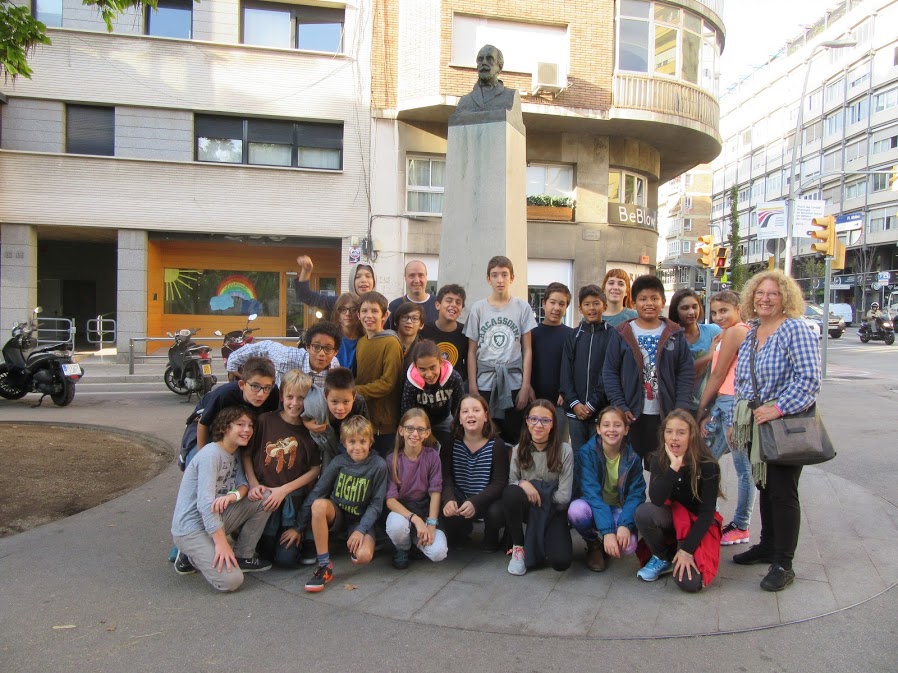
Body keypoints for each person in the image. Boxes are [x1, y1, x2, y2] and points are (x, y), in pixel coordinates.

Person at [731, 270, 821, 592]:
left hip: (784, 424)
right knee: (764, 486)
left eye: (773, 293)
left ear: (786, 298)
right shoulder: (753, 332)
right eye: (760, 293)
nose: (765, 298)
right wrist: (736, 422)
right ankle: (768, 546)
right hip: (754, 422)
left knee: (783, 492)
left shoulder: (795, 328)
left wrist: (778, 408)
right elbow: (742, 382)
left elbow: (809, 379)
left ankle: (784, 563)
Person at [171, 406, 272, 591]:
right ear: (225, 427)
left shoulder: (234, 452)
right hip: (191, 528)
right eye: (240, 424)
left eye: (250, 425)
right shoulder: (211, 455)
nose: (247, 430)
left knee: (264, 497)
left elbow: (243, 485)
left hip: (216, 517)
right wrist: (222, 543)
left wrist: (233, 496)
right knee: (231, 581)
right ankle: (191, 555)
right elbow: (205, 504)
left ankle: (242, 556)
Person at [603, 275, 693, 468]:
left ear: (663, 301)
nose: (649, 303)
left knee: (662, 468)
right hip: (631, 415)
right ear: (634, 303)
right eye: (643, 299)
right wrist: (620, 405)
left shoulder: (675, 333)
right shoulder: (621, 333)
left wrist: (680, 409)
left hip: (665, 415)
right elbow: (610, 372)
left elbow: (685, 373)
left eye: (654, 298)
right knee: (628, 469)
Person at [295, 416, 388, 593]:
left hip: (360, 519)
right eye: (352, 442)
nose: (357, 447)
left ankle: (353, 540)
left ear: (371, 441)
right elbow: (317, 492)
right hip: (337, 514)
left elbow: (376, 505)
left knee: (363, 556)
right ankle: (324, 565)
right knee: (319, 505)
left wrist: (361, 530)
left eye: (362, 441)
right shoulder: (338, 462)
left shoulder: (379, 465)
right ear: (344, 443)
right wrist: (298, 527)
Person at [635, 410, 723, 593]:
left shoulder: (707, 464)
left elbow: (707, 513)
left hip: (697, 522)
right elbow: (657, 500)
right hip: (672, 517)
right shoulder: (659, 459)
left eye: (681, 432)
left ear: (691, 435)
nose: (674, 438)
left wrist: (687, 550)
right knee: (644, 512)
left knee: (689, 583)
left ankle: (680, 549)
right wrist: (673, 468)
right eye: (669, 432)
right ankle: (662, 557)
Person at [242, 370, 321, 568]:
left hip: (291, 500)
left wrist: (284, 490)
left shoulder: (308, 431)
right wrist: (253, 484)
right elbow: (247, 455)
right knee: (265, 552)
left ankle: (305, 538)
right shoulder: (265, 421)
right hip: (264, 497)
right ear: (281, 396)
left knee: (286, 560)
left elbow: (315, 469)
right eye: (290, 397)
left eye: (301, 398)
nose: (295, 403)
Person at [697, 291, 753, 546]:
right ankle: (710, 515)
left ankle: (740, 524)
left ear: (738, 308)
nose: (718, 317)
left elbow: (718, 374)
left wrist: (702, 408)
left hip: (731, 404)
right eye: (714, 312)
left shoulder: (735, 332)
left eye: (724, 311)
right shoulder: (732, 332)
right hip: (725, 403)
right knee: (705, 459)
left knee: (742, 468)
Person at [465, 255, 537, 445]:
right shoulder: (478, 309)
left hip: (513, 382)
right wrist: (473, 386)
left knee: (515, 437)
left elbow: (527, 349)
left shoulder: (522, 308)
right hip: (485, 383)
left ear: (512, 278)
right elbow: (471, 351)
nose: (500, 280)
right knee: (485, 437)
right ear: (488, 279)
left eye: (504, 274)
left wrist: (525, 385)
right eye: (495, 275)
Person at [567, 406, 646, 572]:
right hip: (592, 507)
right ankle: (593, 543)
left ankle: (608, 545)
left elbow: (636, 495)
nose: (611, 429)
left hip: (617, 508)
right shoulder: (587, 453)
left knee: (629, 546)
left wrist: (624, 524)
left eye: (617, 425)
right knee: (576, 511)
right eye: (606, 425)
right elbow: (592, 494)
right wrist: (609, 531)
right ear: (598, 429)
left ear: (626, 430)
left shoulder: (633, 458)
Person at [502, 399, 574, 576]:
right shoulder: (519, 449)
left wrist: (536, 489)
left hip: (553, 510)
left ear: (553, 424)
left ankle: (542, 539)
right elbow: (512, 483)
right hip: (528, 507)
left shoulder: (564, 450)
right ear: (527, 421)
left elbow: (563, 497)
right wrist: (523, 484)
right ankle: (518, 546)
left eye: (545, 420)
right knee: (511, 493)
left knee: (561, 561)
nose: (538, 425)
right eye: (533, 419)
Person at [179, 357, 279, 470]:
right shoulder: (225, 394)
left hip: (240, 431)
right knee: (199, 462)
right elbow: (203, 423)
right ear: (242, 384)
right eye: (255, 386)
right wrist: (203, 455)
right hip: (208, 427)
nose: (261, 394)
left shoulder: (273, 394)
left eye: (267, 387)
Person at [440, 394, 509, 551]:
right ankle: (462, 531)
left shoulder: (496, 445)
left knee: (496, 512)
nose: (470, 414)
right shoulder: (451, 442)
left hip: (486, 499)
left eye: (476, 410)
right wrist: (449, 499)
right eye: (465, 411)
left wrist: (475, 501)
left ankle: (491, 534)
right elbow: (445, 476)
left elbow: (499, 483)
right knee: (445, 506)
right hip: (460, 496)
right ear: (459, 418)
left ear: (485, 416)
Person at [384, 409, 448, 569]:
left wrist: (431, 525)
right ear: (401, 430)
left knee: (439, 553)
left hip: (425, 510)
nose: (414, 433)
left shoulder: (432, 456)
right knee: (396, 525)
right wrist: (416, 520)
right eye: (409, 428)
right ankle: (403, 548)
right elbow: (390, 500)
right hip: (402, 512)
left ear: (427, 433)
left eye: (420, 429)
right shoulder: (392, 459)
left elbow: (435, 492)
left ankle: (416, 543)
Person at [560, 284, 615, 451]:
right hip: (575, 412)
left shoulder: (613, 335)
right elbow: (565, 373)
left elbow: (609, 373)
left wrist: (592, 404)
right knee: (579, 456)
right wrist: (574, 402)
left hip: (600, 413)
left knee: (598, 456)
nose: (592, 308)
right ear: (580, 309)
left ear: (604, 306)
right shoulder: (573, 336)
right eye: (587, 304)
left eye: (596, 303)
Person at [355, 291, 404, 458]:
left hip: (385, 423)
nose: (369, 315)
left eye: (374, 311)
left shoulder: (391, 343)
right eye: (364, 311)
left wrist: (355, 391)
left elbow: (388, 383)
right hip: (364, 418)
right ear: (358, 315)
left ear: (385, 315)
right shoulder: (362, 342)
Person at [226, 321, 341, 388]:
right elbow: (265, 346)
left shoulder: (334, 368)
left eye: (328, 349)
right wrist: (232, 364)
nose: (321, 353)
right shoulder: (287, 357)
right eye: (316, 347)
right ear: (307, 347)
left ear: (335, 352)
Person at [400, 339, 465, 453]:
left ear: (441, 362)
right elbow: (407, 414)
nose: (429, 374)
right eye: (422, 369)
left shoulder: (454, 378)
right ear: (415, 366)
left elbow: (459, 409)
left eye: (432, 367)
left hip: (444, 418)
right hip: (419, 423)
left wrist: (458, 432)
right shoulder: (411, 384)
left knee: (458, 442)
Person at [302, 366, 369, 470]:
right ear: (325, 396)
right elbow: (299, 417)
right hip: (325, 448)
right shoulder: (315, 406)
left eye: (346, 402)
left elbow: (365, 434)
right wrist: (306, 424)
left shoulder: (359, 404)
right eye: (334, 402)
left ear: (354, 397)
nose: (340, 408)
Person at [530, 282, 574, 440]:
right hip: (535, 400)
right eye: (552, 302)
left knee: (559, 445)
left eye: (561, 304)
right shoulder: (532, 334)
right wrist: (527, 386)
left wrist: (566, 391)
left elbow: (574, 368)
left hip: (560, 403)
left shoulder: (572, 335)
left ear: (566, 307)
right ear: (544, 303)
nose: (556, 308)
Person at [669, 289, 721, 408]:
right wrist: (709, 356)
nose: (691, 312)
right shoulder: (671, 337)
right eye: (685, 308)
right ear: (676, 310)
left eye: (695, 306)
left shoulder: (713, 331)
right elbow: (680, 370)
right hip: (680, 403)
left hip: (711, 403)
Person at [295, 255, 376, 318]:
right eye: (357, 277)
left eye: (368, 276)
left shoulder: (380, 305)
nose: (363, 280)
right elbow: (305, 296)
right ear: (352, 281)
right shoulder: (339, 302)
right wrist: (306, 271)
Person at [420, 284, 468, 382]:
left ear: (461, 309)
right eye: (449, 301)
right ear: (438, 305)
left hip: (456, 386)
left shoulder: (465, 332)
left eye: (458, 302)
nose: (454, 305)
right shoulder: (424, 331)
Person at [453, 44, 518, 115]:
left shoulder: (511, 96)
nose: (484, 63)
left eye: (489, 59)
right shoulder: (464, 101)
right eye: (480, 59)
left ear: (500, 67)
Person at [386, 260, 438, 330]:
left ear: (426, 277)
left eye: (421, 275)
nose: (417, 280)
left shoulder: (438, 304)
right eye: (411, 276)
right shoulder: (395, 306)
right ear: (405, 278)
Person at [331, 292, 364, 370]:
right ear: (337, 314)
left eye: (353, 309)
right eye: (343, 309)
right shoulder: (331, 338)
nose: (348, 314)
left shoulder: (365, 339)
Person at [393, 301, 426, 370]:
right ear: (396, 321)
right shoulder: (386, 342)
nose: (409, 321)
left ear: (421, 325)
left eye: (414, 318)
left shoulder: (424, 349)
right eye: (404, 317)